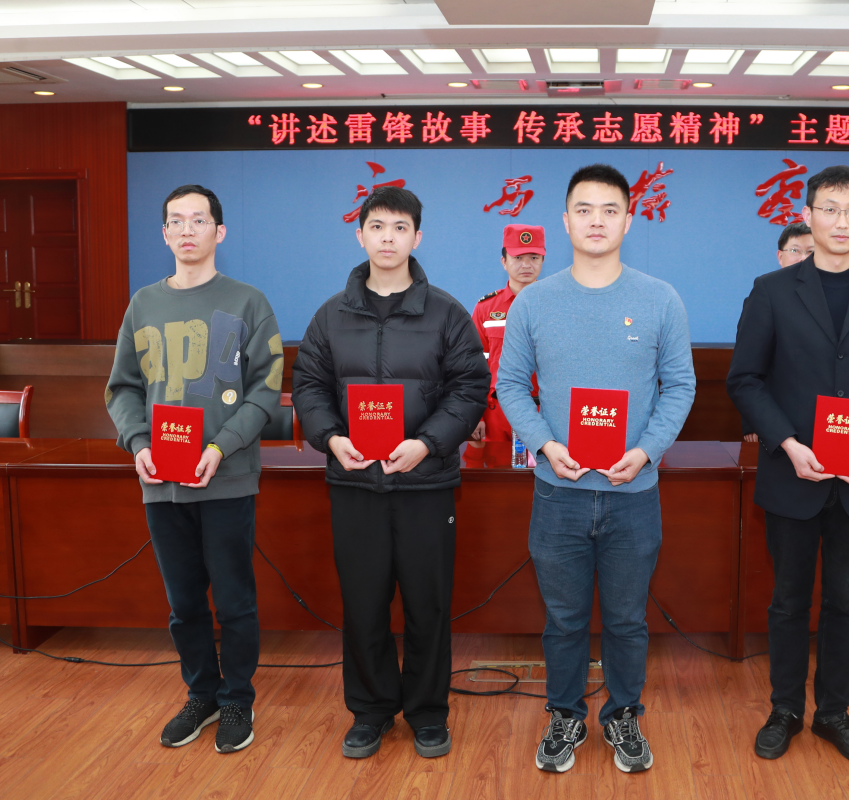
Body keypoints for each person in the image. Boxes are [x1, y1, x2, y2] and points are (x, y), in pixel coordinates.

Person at [496, 164, 695, 775]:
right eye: (584, 210)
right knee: (563, 620)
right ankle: (565, 715)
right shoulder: (534, 301)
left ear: (628, 220)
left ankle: (624, 713)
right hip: (558, 493)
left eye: (610, 210)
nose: (597, 221)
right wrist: (544, 445)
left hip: (634, 493)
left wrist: (648, 450)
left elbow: (679, 386)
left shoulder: (660, 298)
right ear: (566, 221)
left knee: (628, 620)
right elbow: (510, 385)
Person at [727, 165, 849, 766]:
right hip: (794, 473)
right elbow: (745, 379)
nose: (841, 221)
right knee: (788, 600)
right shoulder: (771, 290)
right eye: (829, 209)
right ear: (807, 217)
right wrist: (788, 443)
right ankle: (785, 709)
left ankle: (833, 712)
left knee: (847, 601)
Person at [290, 186, 489, 760]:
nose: (388, 238)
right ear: (360, 235)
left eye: (400, 228)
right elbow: (308, 386)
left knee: (428, 603)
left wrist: (426, 444)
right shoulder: (331, 314)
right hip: (355, 484)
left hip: (426, 484)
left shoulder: (447, 313)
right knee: (363, 603)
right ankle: (371, 710)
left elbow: (470, 388)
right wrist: (332, 438)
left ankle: (427, 712)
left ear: (416, 237)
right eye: (377, 227)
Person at [106, 184, 283, 754]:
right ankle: (201, 695)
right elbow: (123, 388)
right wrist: (138, 443)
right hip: (162, 483)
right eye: (176, 221)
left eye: (199, 220)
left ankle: (237, 700)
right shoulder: (143, 304)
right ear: (164, 233)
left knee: (234, 601)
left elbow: (266, 389)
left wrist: (221, 447)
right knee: (184, 605)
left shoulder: (249, 302)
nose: (187, 230)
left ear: (219, 232)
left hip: (225, 478)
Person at [744, 221, 820, 443]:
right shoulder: (764, 295)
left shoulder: (828, 301)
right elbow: (748, 367)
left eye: (811, 252)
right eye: (795, 250)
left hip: (823, 419)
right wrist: (753, 422)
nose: (803, 258)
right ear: (780, 256)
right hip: (775, 419)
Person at [469, 223, 544, 445]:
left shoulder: (557, 306)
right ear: (504, 261)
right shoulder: (486, 308)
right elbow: (473, 366)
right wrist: (476, 414)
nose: (526, 265)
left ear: (542, 261)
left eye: (534, 257)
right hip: (496, 413)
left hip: (544, 414)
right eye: (518, 258)